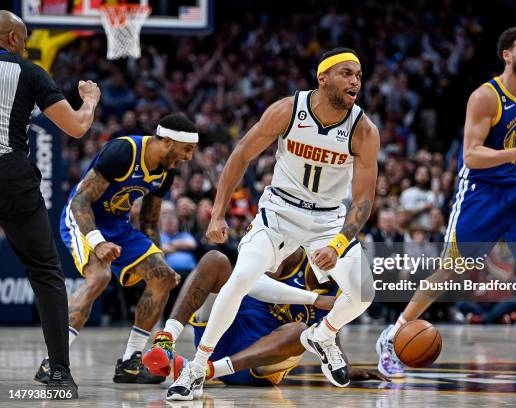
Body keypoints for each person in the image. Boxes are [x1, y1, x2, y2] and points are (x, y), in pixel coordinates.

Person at [167, 47, 379, 400]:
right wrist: (218, 213)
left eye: (358, 75)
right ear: (322, 78)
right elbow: (242, 155)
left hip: (328, 221)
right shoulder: (288, 110)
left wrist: (339, 243)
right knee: (240, 279)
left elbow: (364, 201)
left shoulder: (363, 130)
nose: (355, 80)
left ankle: (323, 335)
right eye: (346, 73)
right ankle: (195, 369)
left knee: (364, 293)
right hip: (280, 212)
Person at [376, 26, 516, 383]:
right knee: (451, 271)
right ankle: (393, 336)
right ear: (507, 55)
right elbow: (471, 155)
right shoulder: (485, 97)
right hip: (480, 194)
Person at [33, 113, 197, 384]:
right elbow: (81, 201)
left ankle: (130, 363)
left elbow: (149, 220)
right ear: (168, 142)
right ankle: (53, 362)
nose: (189, 157)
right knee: (99, 277)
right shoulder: (123, 151)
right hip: (83, 218)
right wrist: (97, 242)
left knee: (163, 278)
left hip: (118, 226)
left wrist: (159, 259)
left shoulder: (166, 172)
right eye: (187, 149)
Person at [0, 10, 101, 398]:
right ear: (11, 39)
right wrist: (89, 100)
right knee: (45, 272)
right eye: (24, 38)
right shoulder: (29, 72)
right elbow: (76, 126)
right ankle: (59, 373)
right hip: (10, 175)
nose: (26, 45)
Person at [142, 248, 387, 391]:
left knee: (300, 331)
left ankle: (205, 371)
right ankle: (166, 340)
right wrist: (314, 299)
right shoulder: (293, 256)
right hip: (224, 331)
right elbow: (254, 282)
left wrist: (349, 370)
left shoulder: (342, 298)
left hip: (254, 367)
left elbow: (331, 346)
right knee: (215, 260)